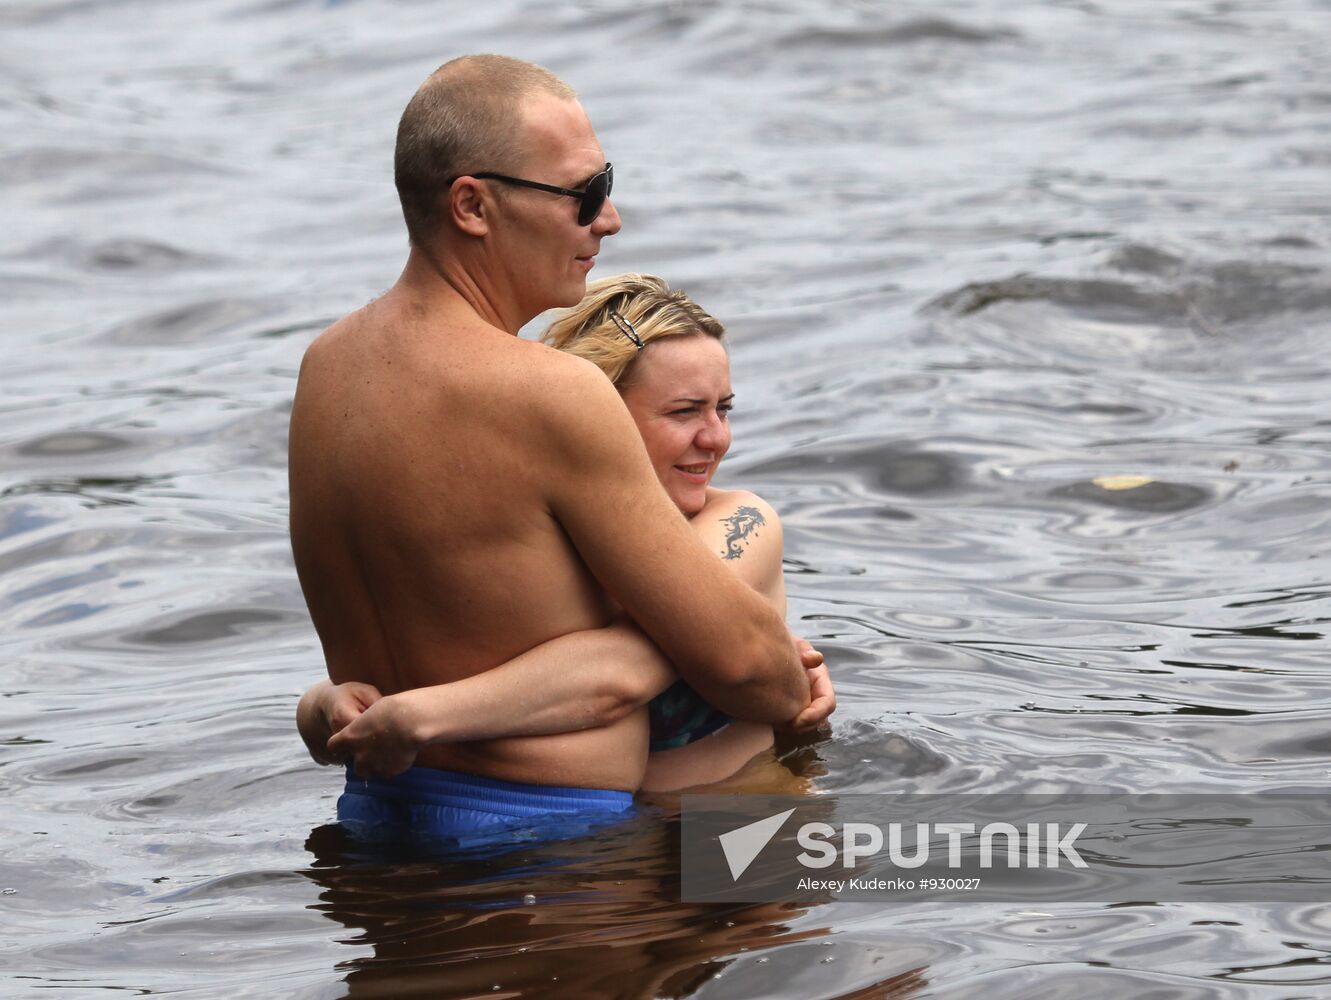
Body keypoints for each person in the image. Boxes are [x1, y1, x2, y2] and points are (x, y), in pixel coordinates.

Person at [288, 54, 818, 846]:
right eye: (585, 194)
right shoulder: (549, 391)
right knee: (886, 940)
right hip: (552, 851)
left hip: (378, 826)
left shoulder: (324, 372)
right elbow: (751, 669)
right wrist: (784, 672)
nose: (608, 221)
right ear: (472, 204)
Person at [300, 275, 835, 798]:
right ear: (600, 420)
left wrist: (420, 716)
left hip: (741, 830)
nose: (716, 438)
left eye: (724, 408)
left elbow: (619, 670)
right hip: (622, 847)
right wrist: (325, 706)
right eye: (684, 411)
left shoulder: (742, 522)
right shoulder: (544, 546)